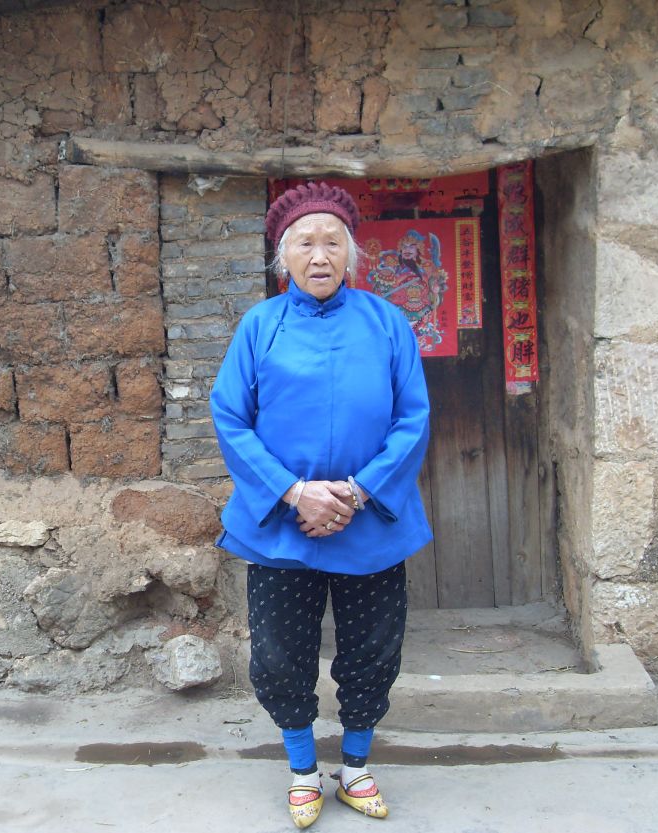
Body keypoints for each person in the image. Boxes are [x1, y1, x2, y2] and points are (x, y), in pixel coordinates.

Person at [210, 182, 432, 828]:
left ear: (351, 252)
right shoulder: (261, 325)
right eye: (304, 243)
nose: (319, 255)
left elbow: (412, 418)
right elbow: (230, 414)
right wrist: (294, 490)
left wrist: (356, 491)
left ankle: (356, 767)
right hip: (286, 524)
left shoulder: (387, 322)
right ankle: (304, 771)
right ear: (284, 258)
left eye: (332, 241)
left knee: (372, 649)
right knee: (281, 653)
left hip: (368, 520)